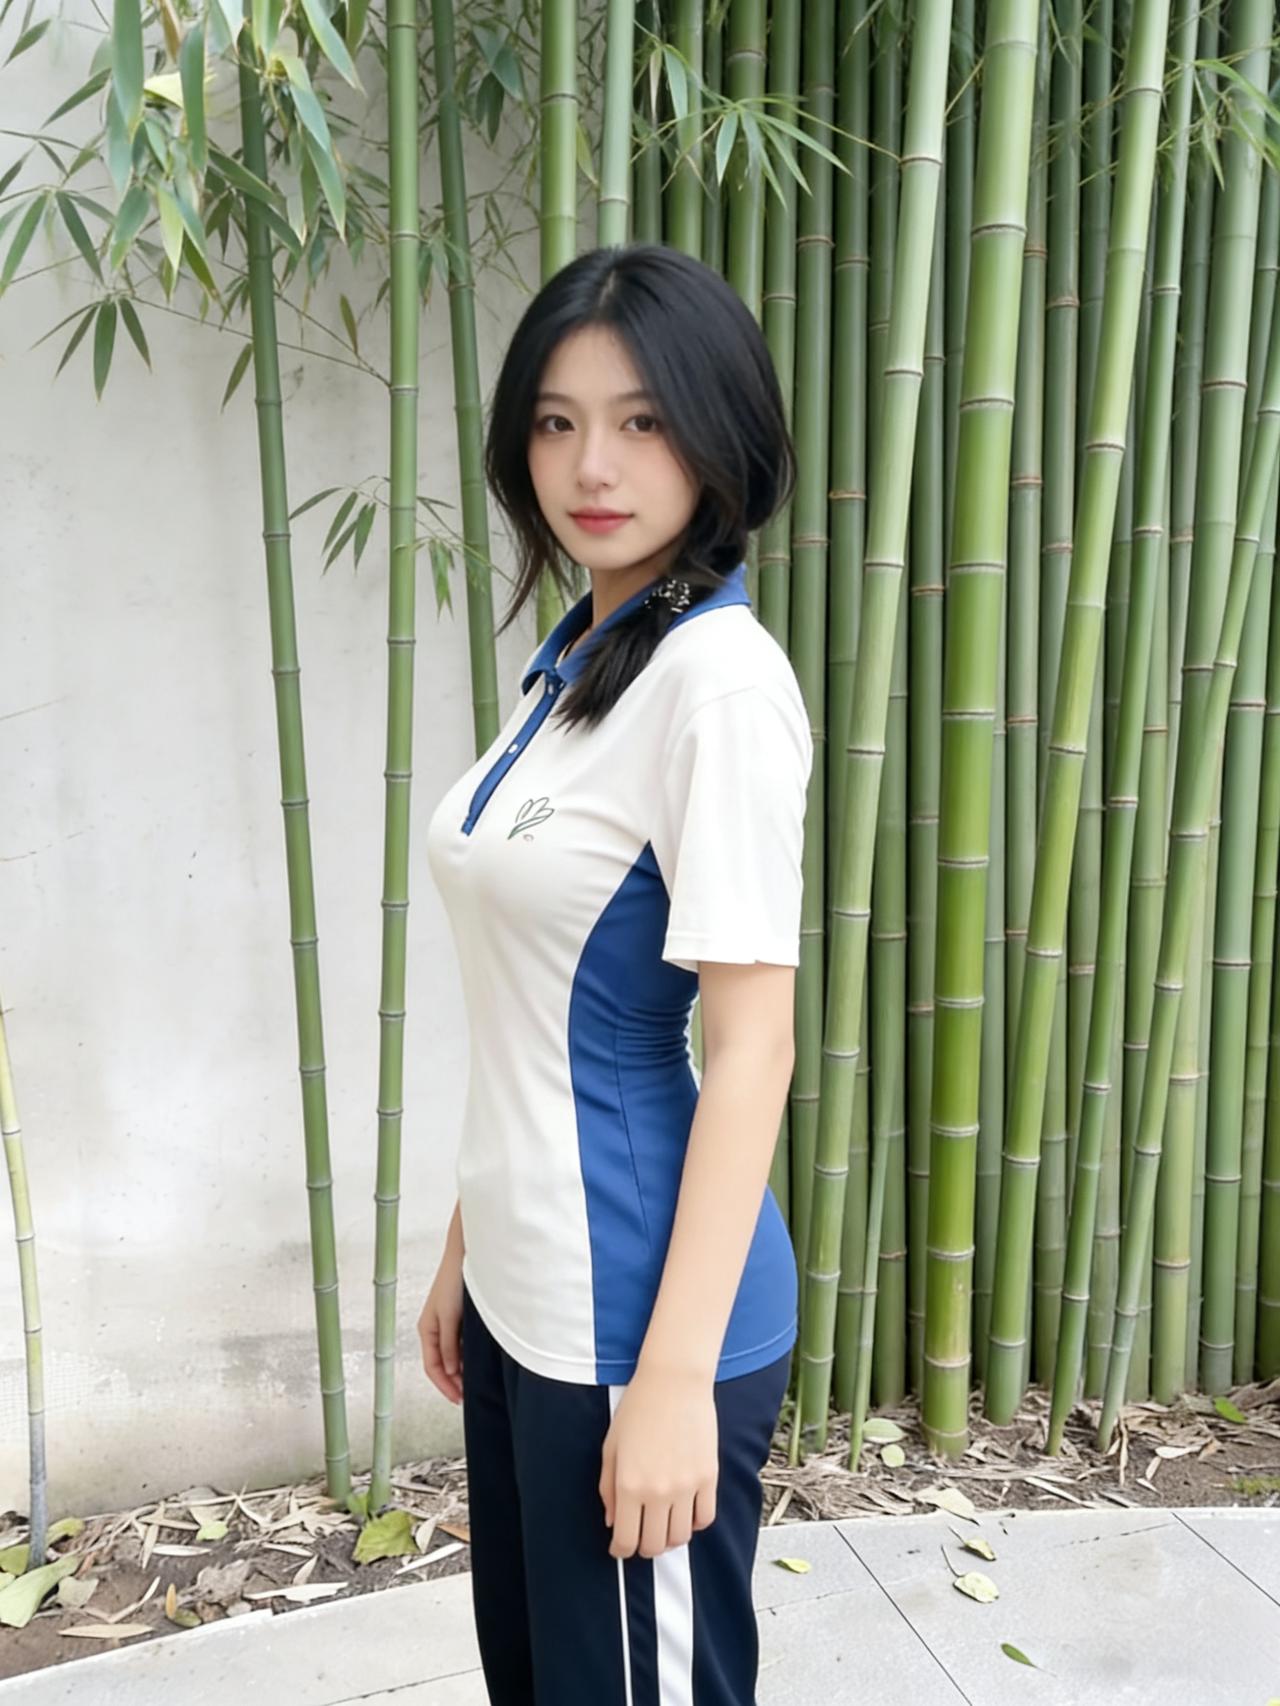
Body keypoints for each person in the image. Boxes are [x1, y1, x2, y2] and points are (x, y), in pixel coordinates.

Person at [418, 241, 813, 1706]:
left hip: (635, 1315)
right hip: (529, 1290)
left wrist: (670, 1386)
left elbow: (752, 1046)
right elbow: (534, 1001)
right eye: (557, 420)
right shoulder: (581, 661)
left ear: (718, 434)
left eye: (642, 419)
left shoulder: (720, 685)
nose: (592, 464)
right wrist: (469, 1246)